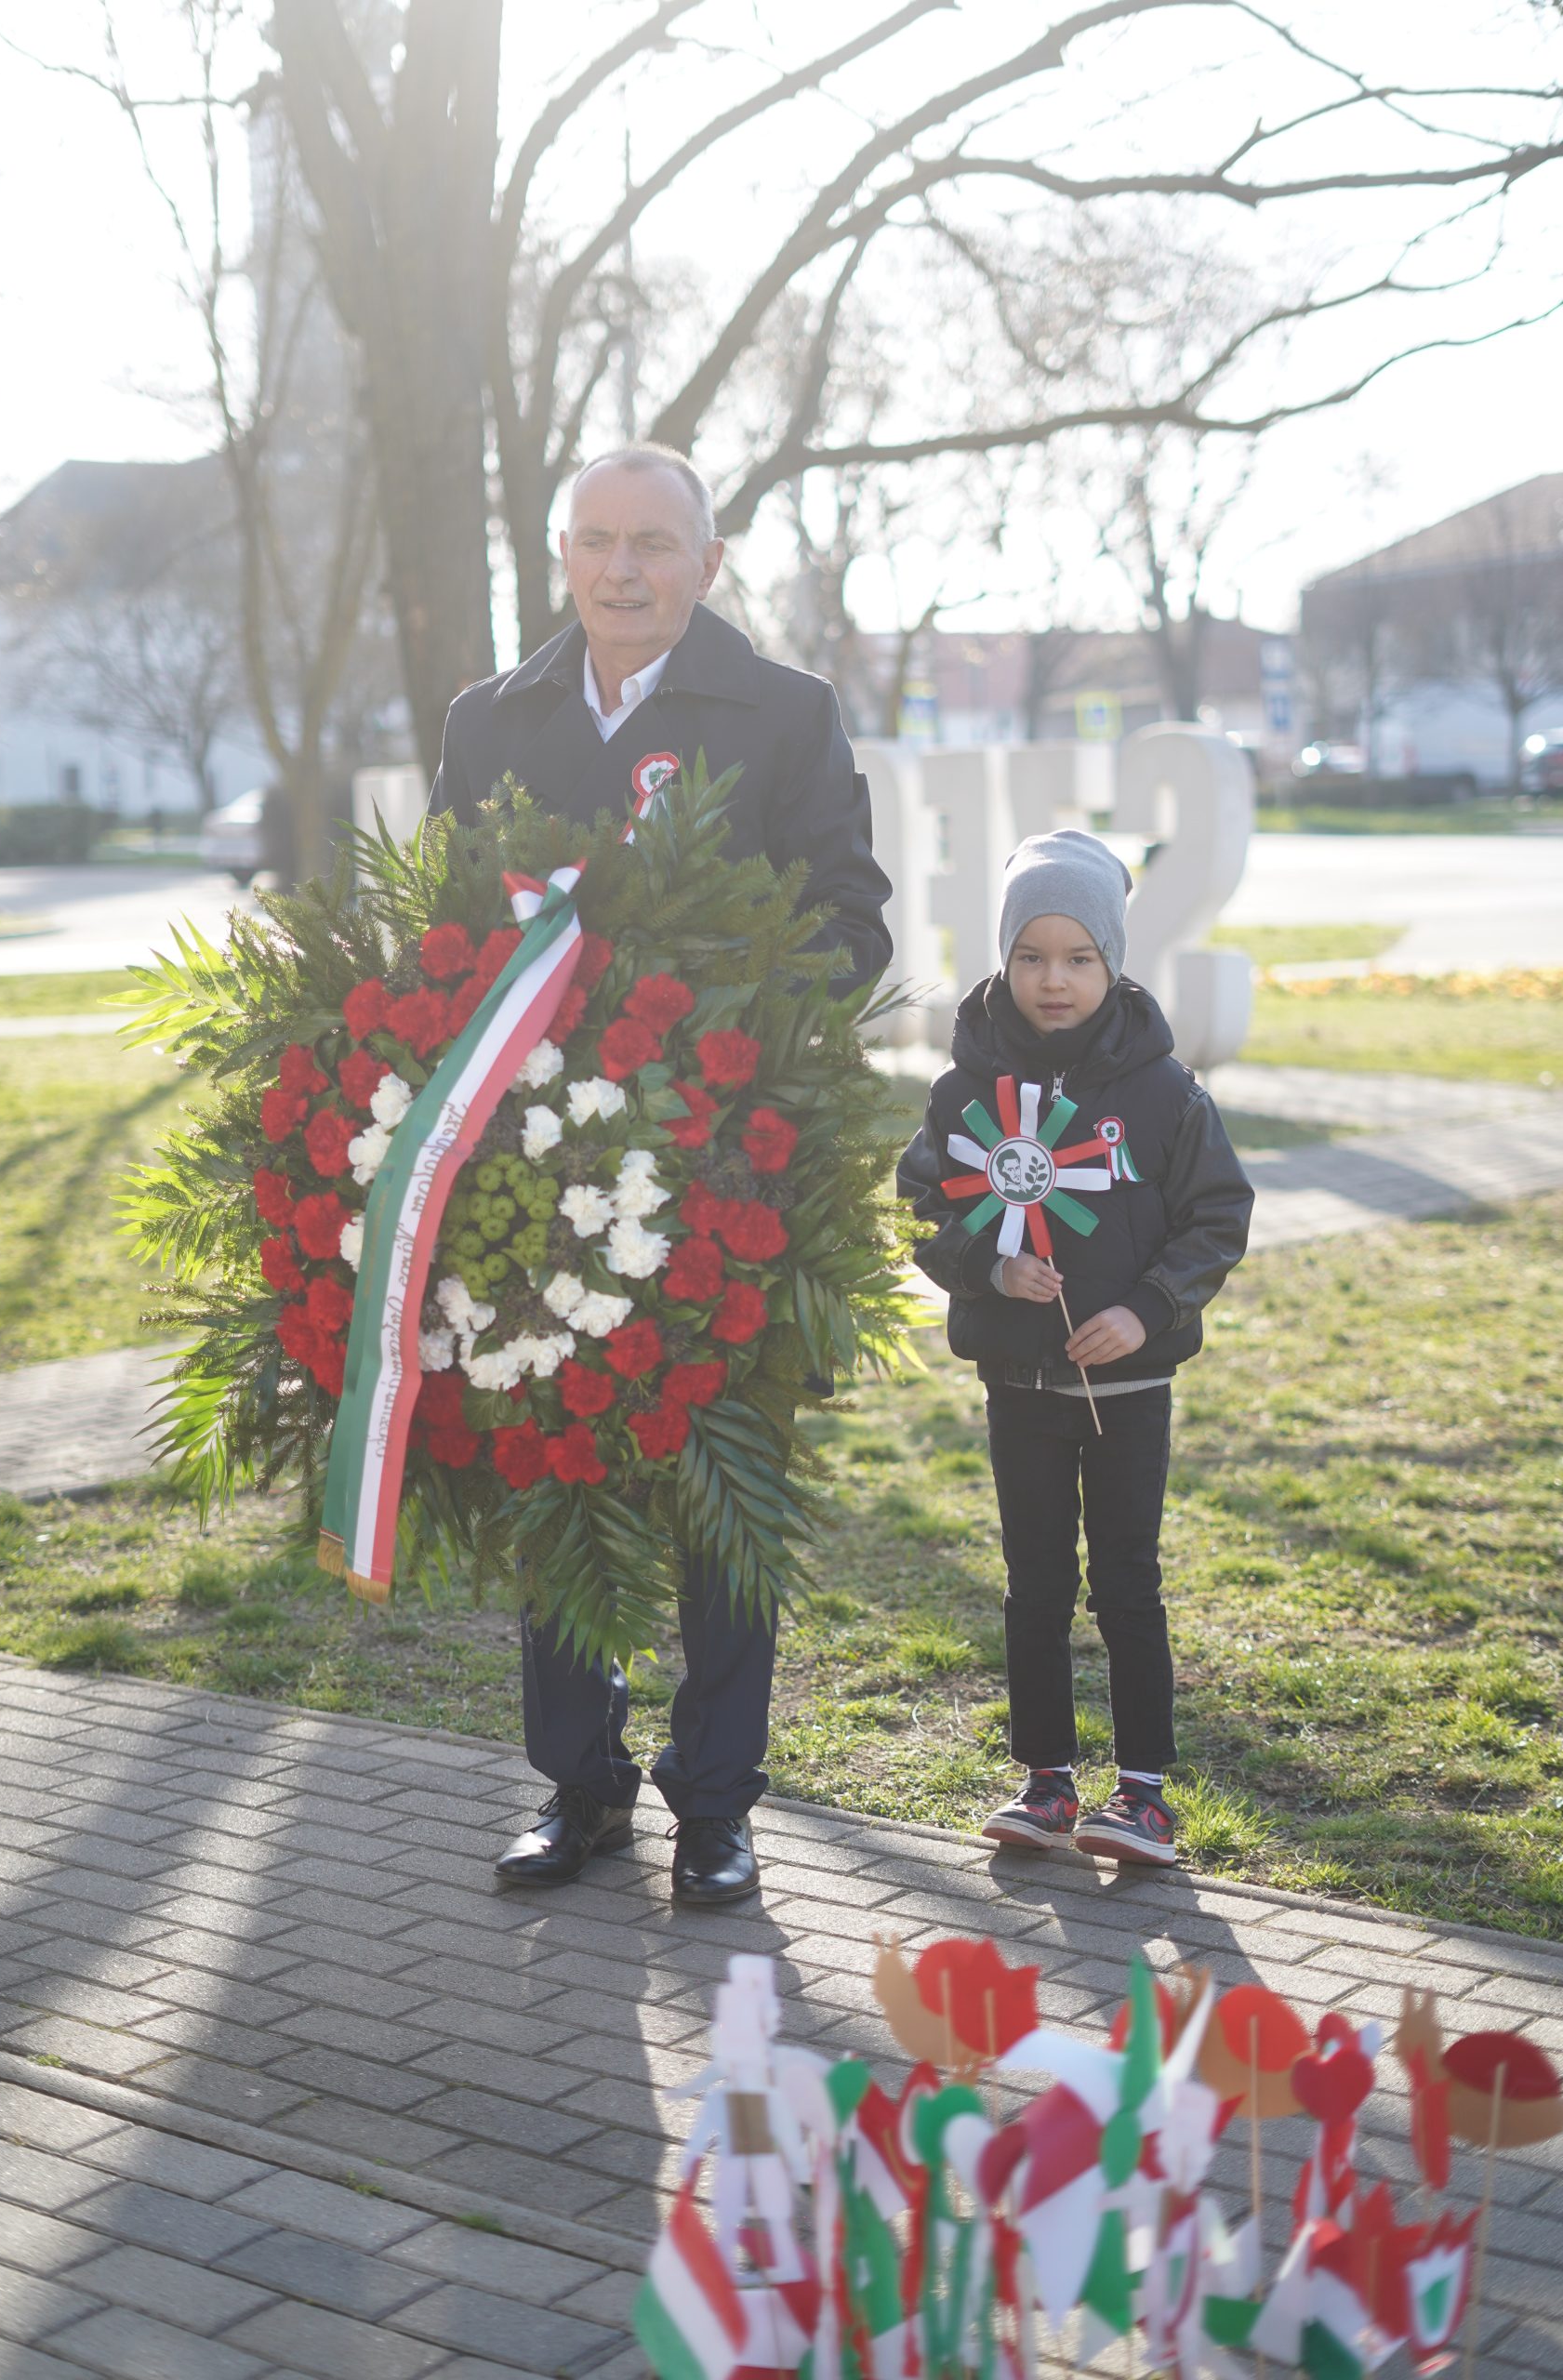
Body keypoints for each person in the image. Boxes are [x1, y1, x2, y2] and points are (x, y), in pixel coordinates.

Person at [430, 443, 893, 1906]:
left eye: (650, 542)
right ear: (562, 554)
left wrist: (716, 1014)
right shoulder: (488, 721)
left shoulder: (783, 714)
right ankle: (578, 1787)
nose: (620, 568)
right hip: (545, 1174)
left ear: (707, 562)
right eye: (595, 540)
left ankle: (715, 1804)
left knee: (718, 1493)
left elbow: (852, 923)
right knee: (559, 1481)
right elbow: (450, 925)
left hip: (727, 1167)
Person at [897, 830, 1252, 1868]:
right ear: (1004, 960)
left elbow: (1216, 1215)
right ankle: (1045, 1780)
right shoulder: (964, 1090)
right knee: (1035, 1583)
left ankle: (1143, 1793)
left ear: (1113, 961)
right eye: (1031, 957)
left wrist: (1147, 1308)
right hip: (1019, 1380)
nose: (1053, 980)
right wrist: (986, 1264)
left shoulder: (1164, 1091)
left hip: (1128, 1386)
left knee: (1126, 1583)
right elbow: (922, 1205)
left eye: (1078, 957)